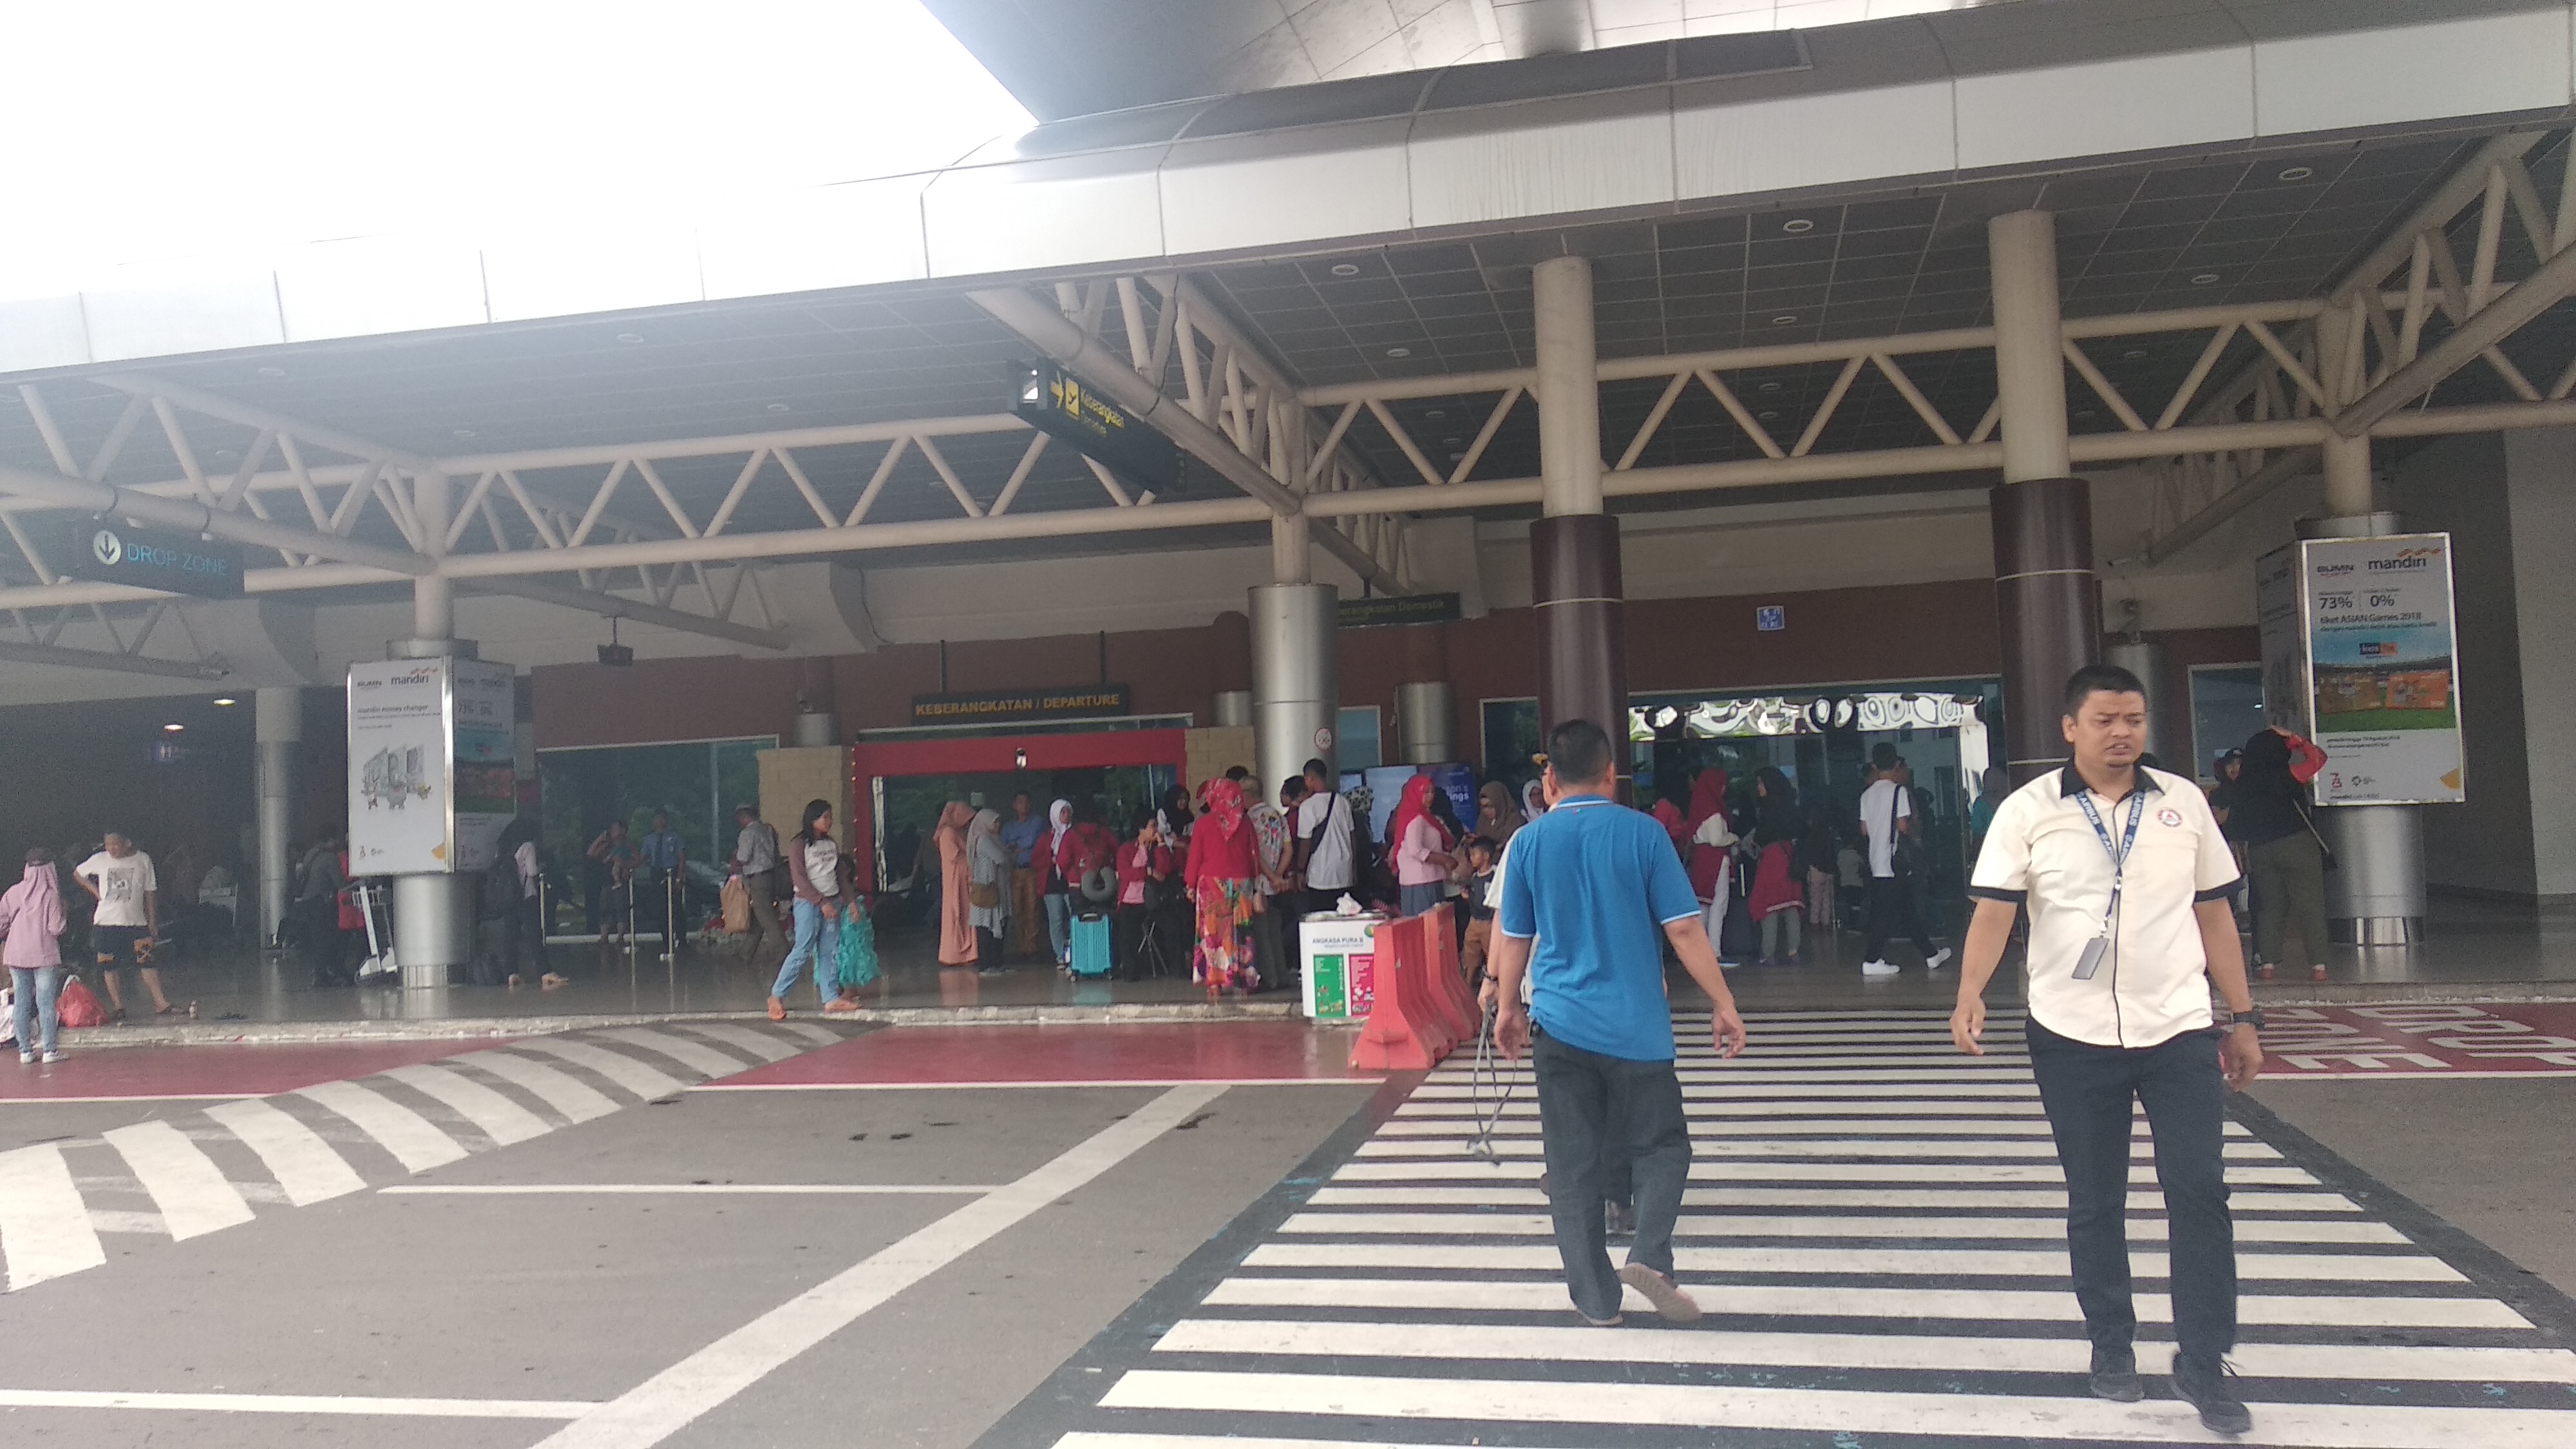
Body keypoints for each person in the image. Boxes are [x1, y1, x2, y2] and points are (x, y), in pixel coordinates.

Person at [1950, 664, 2263, 1435]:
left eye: (2133, 719)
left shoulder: (2183, 803)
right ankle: (2111, 1344)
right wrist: (1969, 993)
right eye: (2104, 720)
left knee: (2200, 1191)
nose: (2122, 732)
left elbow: (2214, 914)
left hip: (2178, 1027)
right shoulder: (2028, 810)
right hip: (2071, 1032)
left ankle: (2203, 1361)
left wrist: (2244, 1015)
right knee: (2096, 1199)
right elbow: (1994, 912)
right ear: (2070, 728)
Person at [1492, 718, 1750, 1328]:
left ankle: (1597, 1299)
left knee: (1572, 1163)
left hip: (1559, 1025)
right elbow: (1683, 928)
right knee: (1663, 1146)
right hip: (1637, 1028)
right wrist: (1723, 1001)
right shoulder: (1645, 835)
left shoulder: (1527, 844)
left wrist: (1507, 1008)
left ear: (1549, 782)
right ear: (1612, 774)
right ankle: (1650, 1253)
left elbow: (1515, 936)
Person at [2233, 726, 2332, 981]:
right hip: (2296, 843)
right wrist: (2296, 741)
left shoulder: (2243, 783)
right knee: (2309, 904)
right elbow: (2318, 759)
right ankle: (2318, 966)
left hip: (2260, 848)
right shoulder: (2288, 775)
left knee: (2270, 906)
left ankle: (2267, 964)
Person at [1857, 743, 1950, 977]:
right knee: (1886, 914)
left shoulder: (1866, 795)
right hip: (1894, 861)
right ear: (1897, 765)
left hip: (1877, 860)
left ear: (1874, 766)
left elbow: (1864, 830)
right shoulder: (1899, 792)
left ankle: (1931, 954)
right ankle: (1871, 960)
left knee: (1905, 910)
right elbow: (1902, 826)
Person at [75, 832, 173, 1019]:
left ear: (127, 843)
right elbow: (78, 874)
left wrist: (152, 921)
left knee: (147, 961)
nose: (111, 849)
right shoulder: (100, 859)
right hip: (106, 922)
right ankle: (118, 1006)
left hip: (137, 922)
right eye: (107, 844)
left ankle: (161, 1003)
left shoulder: (142, 860)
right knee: (109, 966)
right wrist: (96, 893)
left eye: (116, 844)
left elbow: (150, 891)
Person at [1184, 777, 1262, 998]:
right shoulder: (1245, 822)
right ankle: (1242, 982)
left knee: (1213, 935)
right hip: (1242, 884)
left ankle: (1214, 983)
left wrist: (1190, 885)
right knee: (1241, 933)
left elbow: (1195, 857)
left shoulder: (1203, 824)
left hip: (1211, 886)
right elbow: (1254, 855)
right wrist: (1255, 880)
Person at [768, 800, 845, 1019]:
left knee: (829, 951)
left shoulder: (830, 844)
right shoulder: (799, 845)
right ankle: (777, 996)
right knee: (802, 949)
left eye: (830, 817)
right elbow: (800, 880)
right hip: (808, 905)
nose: (829, 822)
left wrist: (848, 901)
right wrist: (821, 902)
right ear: (812, 819)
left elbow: (839, 875)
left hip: (832, 902)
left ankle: (830, 998)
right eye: (824, 817)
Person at [2, 848, 71, 1064]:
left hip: (16, 954)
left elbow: (1, 923)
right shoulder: (51, 896)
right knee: (45, 1003)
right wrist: (65, 913)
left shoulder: (13, 892)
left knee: (21, 1002)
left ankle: (25, 1051)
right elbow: (56, 928)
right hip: (44, 955)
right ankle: (50, 1051)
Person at [1241, 767, 1294, 990]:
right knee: (1275, 933)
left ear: (1246, 795)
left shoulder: (1248, 821)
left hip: (1258, 884)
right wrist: (1279, 876)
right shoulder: (1278, 816)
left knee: (1261, 934)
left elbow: (1254, 855)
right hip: (1275, 885)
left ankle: (1269, 979)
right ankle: (1282, 976)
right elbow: (1288, 849)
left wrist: (1271, 877)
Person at [1747, 766, 1804, 965]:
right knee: (1791, 905)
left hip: (1772, 861)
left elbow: (1761, 836)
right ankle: (1794, 951)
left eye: (1760, 783)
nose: (1758, 787)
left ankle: (1768, 953)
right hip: (1790, 858)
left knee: (1769, 906)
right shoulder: (1791, 805)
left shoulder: (1767, 808)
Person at [1115, 810, 1177, 979]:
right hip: (1130, 901)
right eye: (1152, 826)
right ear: (1141, 829)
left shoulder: (1156, 849)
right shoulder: (1126, 849)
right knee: (1127, 934)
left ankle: (1176, 967)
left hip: (1153, 900)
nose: (1156, 830)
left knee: (1172, 926)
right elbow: (1126, 873)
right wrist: (1148, 872)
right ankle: (1130, 971)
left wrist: (1162, 845)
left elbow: (1165, 870)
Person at [1293, 757, 1356, 915]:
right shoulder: (1343, 802)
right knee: (1343, 917)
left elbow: (1305, 842)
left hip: (1320, 874)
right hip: (1344, 872)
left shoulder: (1308, 806)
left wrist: (1300, 871)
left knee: (1321, 918)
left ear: (1309, 778)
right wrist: (1354, 867)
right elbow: (1352, 837)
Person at [1389, 775, 1455, 919]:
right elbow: (1416, 850)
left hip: (1426, 879)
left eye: (1432, 792)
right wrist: (1445, 860)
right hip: (1421, 881)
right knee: (1426, 924)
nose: (1431, 796)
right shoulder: (1417, 818)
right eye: (1426, 792)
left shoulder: (1423, 815)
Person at [730, 804, 786, 959]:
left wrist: (735, 857)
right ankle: (746, 952)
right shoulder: (768, 830)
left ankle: (783, 951)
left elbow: (744, 857)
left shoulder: (747, 833)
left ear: (743, 817)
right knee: (758, 918)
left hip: (757, 878)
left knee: (766, 918)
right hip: (771, 876)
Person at [295, 834, 352, 987]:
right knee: (326, 939)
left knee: (318, 939)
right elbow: (340, 883)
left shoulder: (311, 853)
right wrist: (354, 885)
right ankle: (324, 974)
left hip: (307, 902)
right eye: (335, 840)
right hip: (321, 903)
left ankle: (320, 973)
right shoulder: (330, 858)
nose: (338, 843)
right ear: (330, 840)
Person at [1687, 812, 1739, 969]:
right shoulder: (1714, 813)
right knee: (1718, 908)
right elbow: (1716, 840)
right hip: (1716, 862)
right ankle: (1714, 953)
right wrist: (1734, 838)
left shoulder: (1699, 810)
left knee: (1702, 907)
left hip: (1701, 862)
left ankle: (1698, 953)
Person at [1000, 792, 1046, 960]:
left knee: (1033, 908)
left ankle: (1032, 947)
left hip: (1032, 870)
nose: (1024, 806)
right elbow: (1004, 847)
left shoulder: (1037, 822)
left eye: (1026, 802)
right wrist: (1019, 846)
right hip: (1015, 871)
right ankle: (1022, 946)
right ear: (1014, 805)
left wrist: (1016, 845)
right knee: (1017, 909)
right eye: (1020, 802)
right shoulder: (1008, 827)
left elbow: (1032, 841)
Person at [968, 808, 1012, 975]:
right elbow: (1001, 859)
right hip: (988, 890)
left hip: (993, 889)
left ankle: (997, 963)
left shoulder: (992, 839)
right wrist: (1009, 857)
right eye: (995, 822)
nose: (998, 825)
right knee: (986, 929)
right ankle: (987, 965)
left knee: (995, 926)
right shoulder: (984, 840)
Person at [934, 802, 976, 969]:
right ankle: (955, 954)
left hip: (960, 880)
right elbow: (956, 857)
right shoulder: (947, 834)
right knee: (957, 915)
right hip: (956, 881)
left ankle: (966, 953)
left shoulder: (954, 832)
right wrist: (973, 868)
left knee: (963, 915)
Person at [586, 820, 641, 947]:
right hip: (606, 881)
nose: (612, 831)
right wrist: (600, 840)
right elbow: (591, 854)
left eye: (615, 829)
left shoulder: (627, 847)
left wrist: (626, 865)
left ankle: (620, 937)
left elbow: (638, 859)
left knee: (621, 908)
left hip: (621, 881)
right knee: (605, 909)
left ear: (623, 831)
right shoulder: (606, 846)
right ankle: (604, 937)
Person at [638, 809, 687, 945]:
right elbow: (642, 858)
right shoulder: (649, 839)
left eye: (661, 819)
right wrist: (629, 865)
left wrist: (680, 876)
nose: (659, 822)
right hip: (657, 872)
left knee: (676, 907)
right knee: (661, 908)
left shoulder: (675, 837)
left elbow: (681, 858)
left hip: (672, 871)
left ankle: (682, 939)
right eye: (657, 819)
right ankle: (666, 939)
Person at [1457, 835, 1501, 987]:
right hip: (1474, 922)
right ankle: (1467, 985)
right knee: (1470, 954)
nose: (1472, 858)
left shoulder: (1496, 875)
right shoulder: (1475, 877)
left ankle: (1496, 986)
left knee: (1493, 955)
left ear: (1486, 856)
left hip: (1490, 923)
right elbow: (1476, 898)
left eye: (1475, 854)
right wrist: (1467, 897)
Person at [1037, 799, 1075, 967]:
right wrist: (1051, 861)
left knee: (1076, 917)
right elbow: (1035, 860)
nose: (1066, 815)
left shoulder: (1075, 834)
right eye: (1063, 812)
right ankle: (1060, 956)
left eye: (1068, 811)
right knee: (1056, 920)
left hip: (1071, 882)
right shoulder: (1047, 837)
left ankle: (1076, 952)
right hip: (1051, 883)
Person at [1475, 781, 1523, 848]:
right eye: (1483, 807)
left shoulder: (1515, 821)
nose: (1486, 810)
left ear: (1500, 803)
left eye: (1490, 806)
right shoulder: (1482, 822)